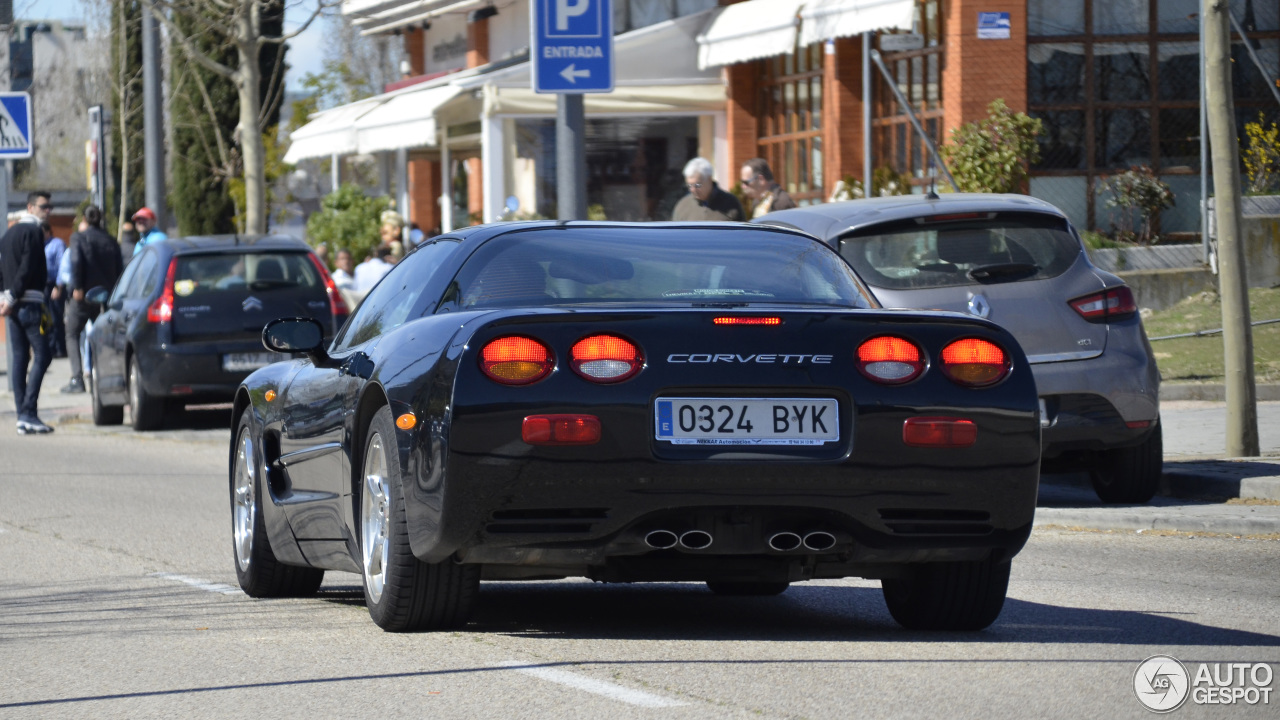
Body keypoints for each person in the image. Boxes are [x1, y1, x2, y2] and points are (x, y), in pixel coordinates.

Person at [0, 191, 56, 434]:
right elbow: (27, 266)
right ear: (31, 207)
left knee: (21, 359)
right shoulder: (33, 232)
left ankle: (23, 415)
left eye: (50, 207)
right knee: (43, 354)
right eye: (44, 207)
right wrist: (11, 295)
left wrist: (4, 297)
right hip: (29, 303)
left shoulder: (8, 234)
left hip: (12, 306)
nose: (48, 211)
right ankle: (28, 411)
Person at [62, 205, 123, 394]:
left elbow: (76, 262)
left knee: (72, 334)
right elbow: (119, 268)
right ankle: (107, 376)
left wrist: (77, 287)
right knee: (103, 336)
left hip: (83, 296)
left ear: (84, 220)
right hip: (105, 296)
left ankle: (77, 378)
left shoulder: (78, 238)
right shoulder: (111, 240)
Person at [671, 157, 744, 222]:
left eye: (697, 185)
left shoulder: (731, 203)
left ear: (709, 180)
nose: (693, 189)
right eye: (689, 185)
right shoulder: (682, 206)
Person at [42, 221, 68, 358]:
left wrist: (58, 286)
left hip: (55, 285)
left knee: (56, 317)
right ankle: (49, 347)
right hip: (42, 286)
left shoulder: (57, 244)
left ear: (47, 231)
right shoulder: (39, 244)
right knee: (45, 319)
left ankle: (60, 348)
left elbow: (62, 267)